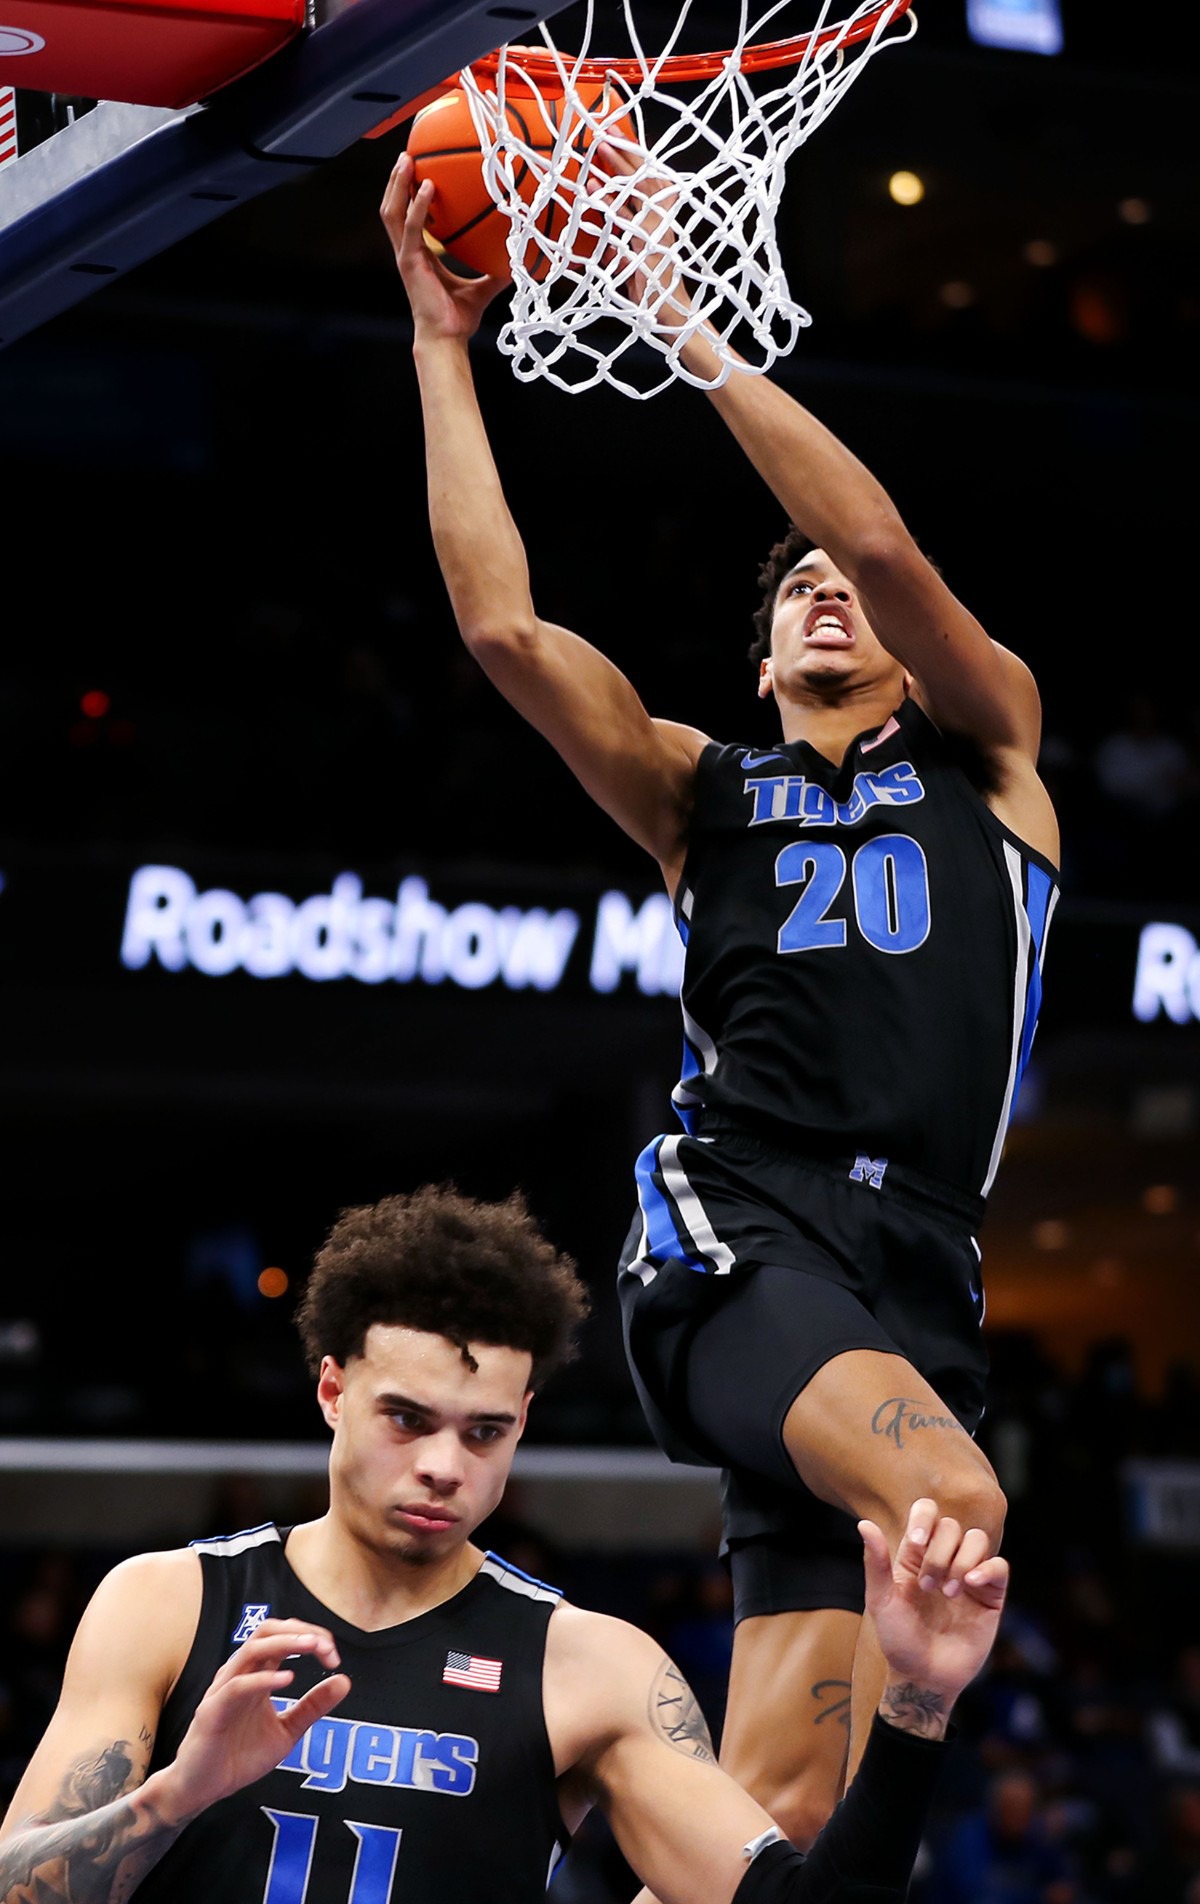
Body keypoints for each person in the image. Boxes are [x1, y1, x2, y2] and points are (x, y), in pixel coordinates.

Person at [380, 133, 1061, 1864]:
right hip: (741, 1225)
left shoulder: (991, 759)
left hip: (917, 1275)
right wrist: (443, 350)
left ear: (912, 647)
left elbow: (875, 528)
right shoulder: (706, 792)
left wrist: (685, 314)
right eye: (788, 598)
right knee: (957, 1506)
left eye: (840, 587)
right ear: (759, 665)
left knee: (777, 1816)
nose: (821, 587)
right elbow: (507, 630)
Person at [0, 1182, 1008, 1904]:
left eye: (485, 1431)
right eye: (408, 1418)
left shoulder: (590, 1666)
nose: (445, 1464)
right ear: (331, 1390)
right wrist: (182, 1790)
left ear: (523, 1419)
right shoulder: (168, 1601)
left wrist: (916, 1702)